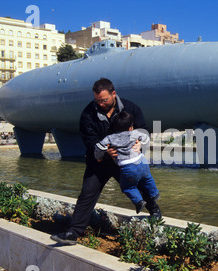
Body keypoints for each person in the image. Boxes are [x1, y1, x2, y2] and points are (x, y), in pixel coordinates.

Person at [50, 78, 160, 245]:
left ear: (113, 94)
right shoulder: (88, 114)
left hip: (125, 161)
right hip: (99, 162)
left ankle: (155, 211)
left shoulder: (131, 108)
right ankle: (73, 232)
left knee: (139, 184)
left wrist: (140, 144)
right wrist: (104, 150)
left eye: (104, 100)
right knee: (87, 194)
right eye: (97, 100)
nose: (100, 104)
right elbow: (89, 140)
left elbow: (142, 129)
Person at [95, 111, 160, 214]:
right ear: (131, 127)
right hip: (142, 162)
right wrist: (141, 144)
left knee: (128, 187)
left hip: (128, 167)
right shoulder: (135, 134)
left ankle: (139, 201)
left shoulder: (110, 138)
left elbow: (99, 147)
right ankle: (154, 194)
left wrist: (99, 157)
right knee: (147, 179)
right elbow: (147, 138)